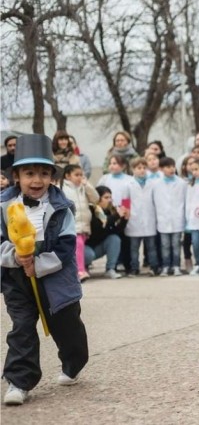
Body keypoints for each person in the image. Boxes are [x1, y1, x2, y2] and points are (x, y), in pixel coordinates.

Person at [1, 134, 89, 405]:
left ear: (52, 176)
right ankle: (19, 380)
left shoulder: (61, 208)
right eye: (29, 173)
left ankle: (73, 363)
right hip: (16, 277)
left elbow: (66, 247)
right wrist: (15, 256)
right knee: (23, 327)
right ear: (17, 176)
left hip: (55, 277)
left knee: (65, 325)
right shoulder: (4, 207)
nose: (36, 180)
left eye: (43, 173)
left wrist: (38, 264)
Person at [61, 164, 99, 282]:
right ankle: (80, 271)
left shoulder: (83, 187)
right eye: (76, 175)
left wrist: (87, 185)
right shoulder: (62, 188)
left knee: (79, 249)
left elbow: (95, 198)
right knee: (78, 245)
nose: (79, 177)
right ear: (67, 176)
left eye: (81, 175)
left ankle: (74, 272)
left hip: (84, 226)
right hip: (72, 225)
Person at [152, 157, 186, 276]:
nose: (171, 169)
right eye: (168, 167)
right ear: (161, 169)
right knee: (165, 245)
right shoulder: (156, 184)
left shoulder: (181, 183)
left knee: (176, 244)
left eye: (172, 166)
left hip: (177, 218)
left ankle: (176, 266)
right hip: (163, 219)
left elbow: (184, 201)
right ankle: (166, 266)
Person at [125, 158, 159, 276]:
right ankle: (134, 268)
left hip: (149, 219)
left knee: (151, 247)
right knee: (134, 248)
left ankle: (154, 267)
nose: (142, 170)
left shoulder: (152, 184)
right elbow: (125, 201)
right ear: (133, 169)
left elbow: (156, 201)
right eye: (139, 168)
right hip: (134, 220)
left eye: (144, 168)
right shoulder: (129, 184)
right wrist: (126, 214)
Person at [84, 186, 125, 279]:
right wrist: (116, 216)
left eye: (110, 197)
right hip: (86, 247)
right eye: (106, 198)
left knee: (114, 239)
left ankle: (110, 269)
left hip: (97, 247)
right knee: (89, 255)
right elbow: (98, 227)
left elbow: (114, 231)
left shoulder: (109, 211)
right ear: (98, 198)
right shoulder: (91, 210)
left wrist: (123, 219)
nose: (109, 200)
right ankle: (83, 267)